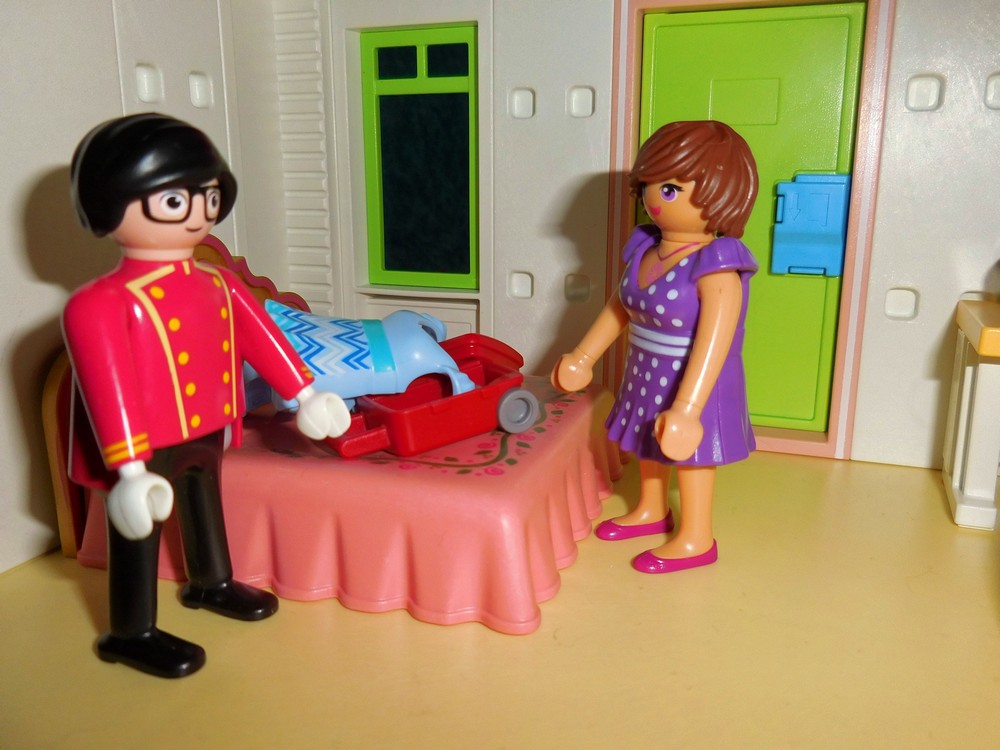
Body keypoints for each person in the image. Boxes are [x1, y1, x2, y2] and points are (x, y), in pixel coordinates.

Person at [63, 113, 350, 677]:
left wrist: (306, 393)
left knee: (203, 502)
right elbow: (107, 389)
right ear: (109, 203)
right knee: (138, 531)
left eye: (208, 196)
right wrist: (128, 469)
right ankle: (131, 630)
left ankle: (210, 581)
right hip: (140, 444)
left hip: (207, 422)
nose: (197, 213)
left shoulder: (219, 281)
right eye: (175, 200)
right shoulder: (98, 304)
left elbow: (264, 338)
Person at [551, 120, 758, 574]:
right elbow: (619, 308)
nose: (653, 199)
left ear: (721, 192)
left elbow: (715, 342)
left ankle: (697, 536)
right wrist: (583, 356)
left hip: (697, 379)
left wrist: (688, 408)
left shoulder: (717, 266)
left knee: (691, 455)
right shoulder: (645, 249)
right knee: (648, 437)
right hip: (645, 368)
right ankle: (650, 508)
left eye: (670, 188)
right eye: (649, 186)